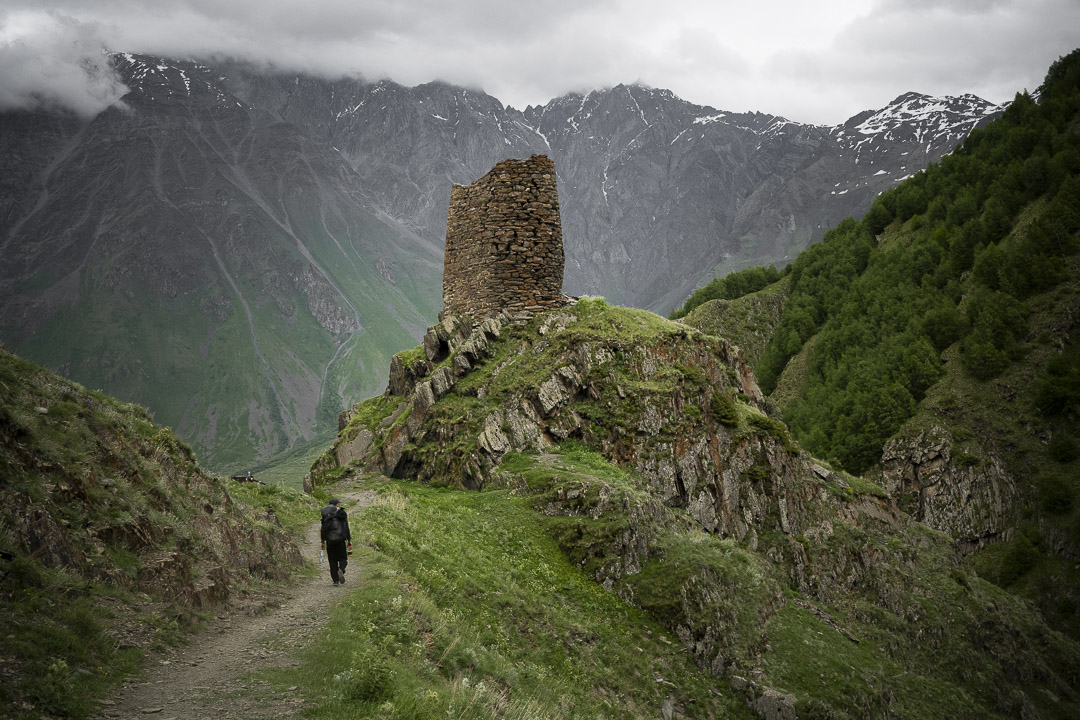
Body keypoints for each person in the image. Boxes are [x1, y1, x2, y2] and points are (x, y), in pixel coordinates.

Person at [320, 498, 352, 585]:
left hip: (330, 541)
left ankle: (335, 581)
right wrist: (349, 539)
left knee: (332, 560)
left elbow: (323, 529)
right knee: (343, 559)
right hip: (340, 540)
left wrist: (322, 541)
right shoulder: (341, 513)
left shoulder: (325, 515)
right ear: (337, 504)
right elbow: (346, 527)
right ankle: (341, 570)